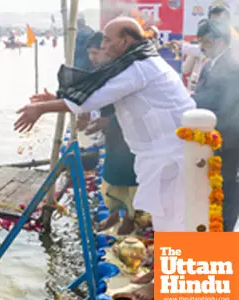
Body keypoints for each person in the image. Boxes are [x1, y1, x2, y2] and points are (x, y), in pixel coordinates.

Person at [15, 17, 196, 299]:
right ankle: (161, 275)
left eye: (109, 39)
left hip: (172, 155)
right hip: (159, 155)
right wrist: (56, 99)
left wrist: (44, 108)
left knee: (175, 223)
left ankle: (162, 287)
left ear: (126, 40)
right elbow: (104, 100)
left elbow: (95, 97)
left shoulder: (140, 67)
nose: (105, 45)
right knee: (164, 220)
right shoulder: (135, 63)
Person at [75, 31, 140, 236]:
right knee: (110, 175)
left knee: (130, 178)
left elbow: (131, 108)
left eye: (96, 52)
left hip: (130, 135)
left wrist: (104, 121)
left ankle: (131, 218)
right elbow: (89, 96)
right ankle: (114, 213)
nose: (92, 58)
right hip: (114, 134)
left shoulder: (125, 71)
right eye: (90, 54)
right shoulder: (102, 71)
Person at [193, 19, 239, 232]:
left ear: (220, 40)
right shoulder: (209, 63)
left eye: (206, 42)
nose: (202, 47)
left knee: (226, 189)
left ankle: (224, 238)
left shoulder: (232, 66)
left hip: (226, 140)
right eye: (200, 41)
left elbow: (228, 107)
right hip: (210, 138)